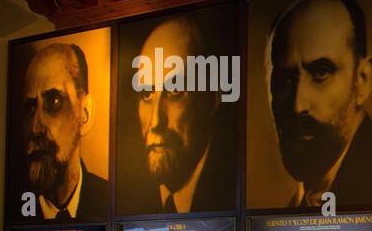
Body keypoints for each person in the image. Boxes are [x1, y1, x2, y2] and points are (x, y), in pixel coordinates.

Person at [266, 0, 372, 207]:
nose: (298, 105)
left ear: (362, 80)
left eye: (320, 73)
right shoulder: (302, 199)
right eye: (284, 79)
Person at [129, 16, 235, 214]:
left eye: (175, 90)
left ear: (212, 98)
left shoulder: (232, 189)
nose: (155, 121)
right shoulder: (129, 200)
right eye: (147, 94)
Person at [19, 43, 109, 220]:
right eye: (30, 107)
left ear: (85, 113)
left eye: (54, 101)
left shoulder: (111, 200)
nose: (35, 128)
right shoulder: (13, 207)